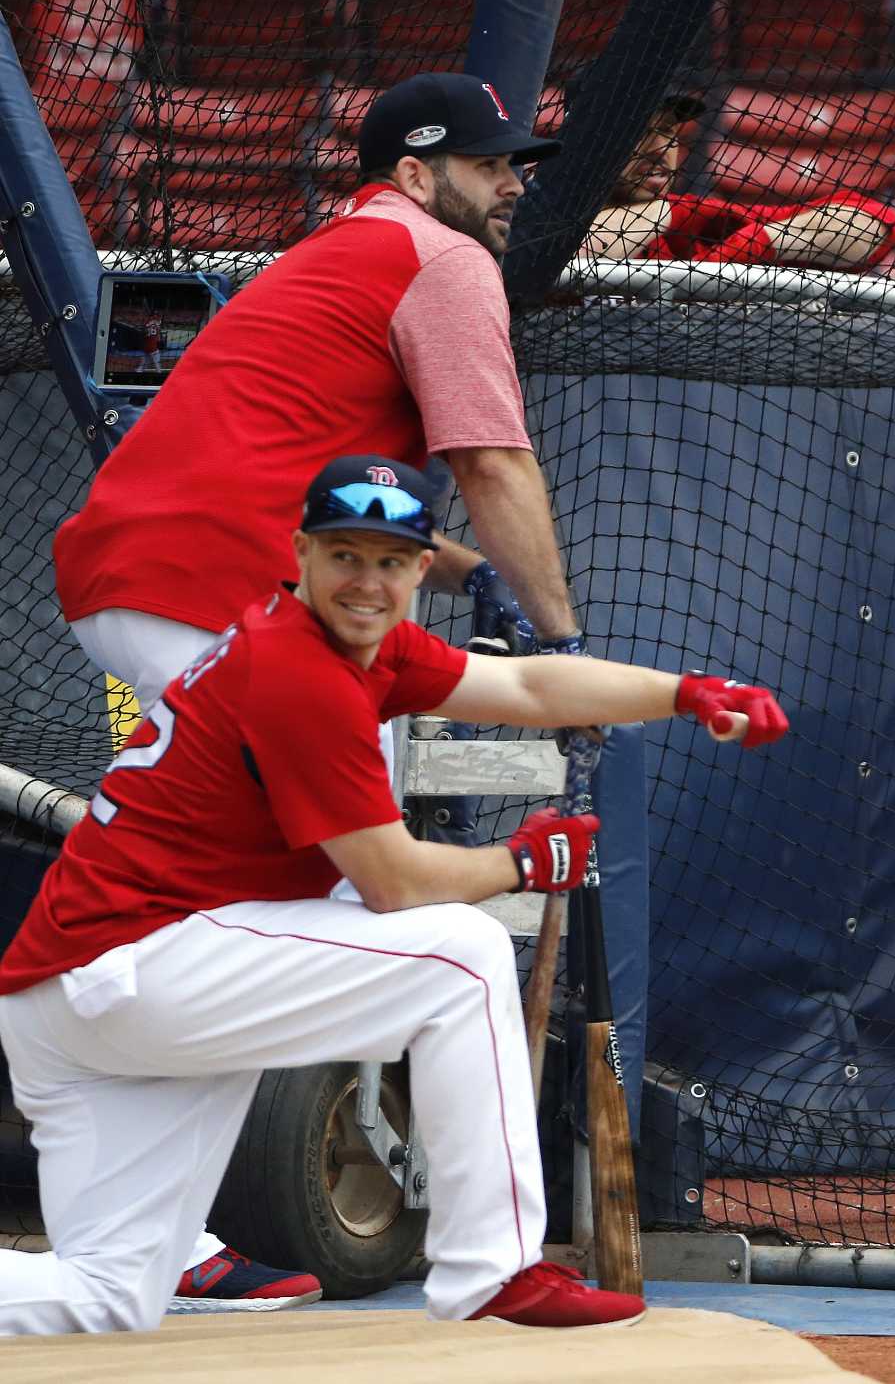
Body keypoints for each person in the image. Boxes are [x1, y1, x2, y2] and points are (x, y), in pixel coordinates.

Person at [0, 455, 790, 1336]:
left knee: (102, 1296)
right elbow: (393, 883)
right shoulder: (299, 672)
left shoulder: (361, 643)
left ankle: (491, 1266)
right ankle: (494, 1270)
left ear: (422, 569)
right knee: (464, 954)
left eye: (388, 559)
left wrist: (684, 693)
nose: (366, 580)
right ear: (300, 553)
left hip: (80, 997)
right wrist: (523, 862)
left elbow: (528, 685)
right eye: (345, 555)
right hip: (132, 964)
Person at [46, 71, 582, 1308]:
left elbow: (334, 491)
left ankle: (161, 1236)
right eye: (492, 162)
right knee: (314, 904)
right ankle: (480, 1257)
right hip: (210, 592)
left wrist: (452, 581)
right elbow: (493, 462)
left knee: (267, 896)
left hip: (155, 578)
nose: (513, 184)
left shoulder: (344, 253)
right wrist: (561, 633)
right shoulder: (441, 263)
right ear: (410, 173)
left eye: (518, 162)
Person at [579, 89, 895, 270]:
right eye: (639, 133)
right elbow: (573, 254)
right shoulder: (539, 212)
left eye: (667, 130)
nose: (661, 149)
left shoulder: (689, 219)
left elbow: (875, 223)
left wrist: (713, 265)